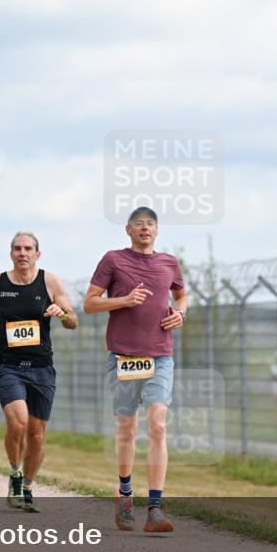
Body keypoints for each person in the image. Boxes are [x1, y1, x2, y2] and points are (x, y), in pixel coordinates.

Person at [83, 207, 187, 533]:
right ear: (128, 230)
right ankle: (125, 495)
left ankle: (155, 508)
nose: (145, 228)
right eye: (139, 224)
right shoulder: (113, 259)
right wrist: (123, 301)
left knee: (158, 424)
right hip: (125, 357)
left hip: (160, 356)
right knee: (127, 429)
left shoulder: (169, 262)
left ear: (157, 230)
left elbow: (181, 295)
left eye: (150, 224)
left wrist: (180, 313)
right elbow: (89, 303)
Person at [0, 232, 77, 512]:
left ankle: (29, 486)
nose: (22, 253)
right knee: (18, 422)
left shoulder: (50, 281)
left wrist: (62, 314)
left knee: (37, 434)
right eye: (17, 249)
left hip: (42, 368)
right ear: (11, 253)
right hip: (8, 365)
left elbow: (73, 322)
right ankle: (15, 472)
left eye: (28, 249)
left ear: (38, 254)